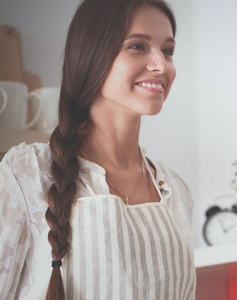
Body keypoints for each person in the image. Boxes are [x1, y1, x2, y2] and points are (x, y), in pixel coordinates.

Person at [0, 0, 196, 299]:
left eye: (167, 50)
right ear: (92, 56)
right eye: (138, 46)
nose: (161, 65)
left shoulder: (176, 190)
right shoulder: (27, 175)